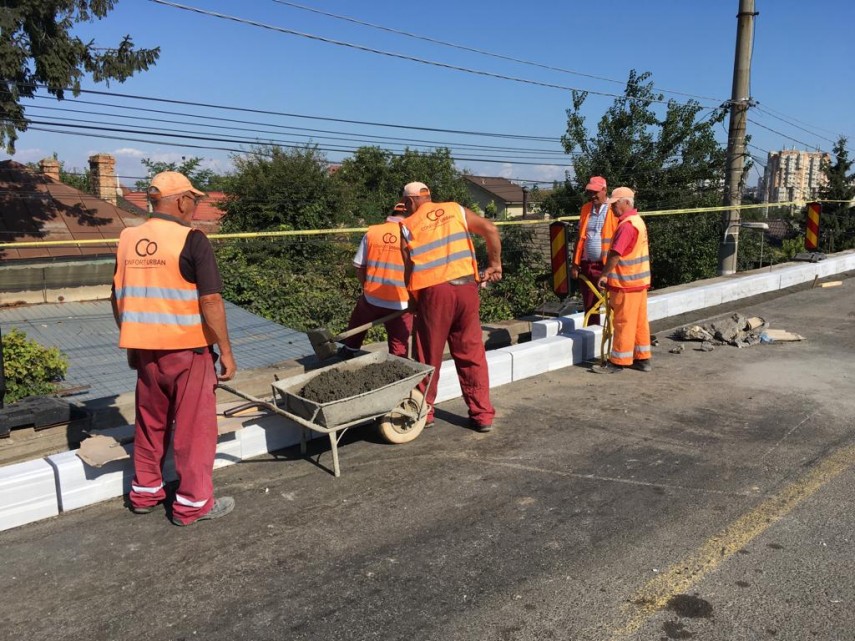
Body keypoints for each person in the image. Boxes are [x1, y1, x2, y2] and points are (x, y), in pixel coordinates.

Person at [111, 171, 237, 526]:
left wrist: (131, 342)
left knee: (151, 424)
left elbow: (117, 297)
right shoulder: (192, 239)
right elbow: (211, 300)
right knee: (195, 430)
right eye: (194, 200)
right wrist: (225, 350)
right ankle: (193, 504)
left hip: (147, 353)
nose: (195, 207)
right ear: (181, 200)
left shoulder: (127, 238)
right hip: (188, 351)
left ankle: (145, 493)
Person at [400, 181, 502, 432]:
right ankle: (482, 415)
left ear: (411, 201)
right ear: (429, 196)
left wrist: (413, 302)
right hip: (466, 289)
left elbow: (408, 269)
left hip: (434, 295)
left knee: (427, 355)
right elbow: (490, 229)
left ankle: (425, 411)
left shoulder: (408, 225)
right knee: (471, 354)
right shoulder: (455, 209)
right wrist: (495, 264)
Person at [338, 201, 413, 360]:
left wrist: (367, 287)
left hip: (372, 298)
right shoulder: (413, 235)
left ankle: (350, 348)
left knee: (358, 322)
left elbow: (359, 267)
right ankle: (398, 363)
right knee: (399, 342)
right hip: (401, 303)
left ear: (392, 214)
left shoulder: (373, 232)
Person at [592, 187, 652, 373]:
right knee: (639, 322)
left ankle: (619, 361)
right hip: (638, 282)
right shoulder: (637, 222)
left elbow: (616, 254)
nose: (612, 208)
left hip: (625, 283)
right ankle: (642, 359)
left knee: (623, 322)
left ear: (626, 203)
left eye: (615, 204)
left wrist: (604, 275)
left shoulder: (626, 226)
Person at [570, 176, 618, 326]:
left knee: (613, 304)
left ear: (604, 190)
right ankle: (592, 334)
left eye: (595, 192)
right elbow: (580, 237)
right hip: (587, 265)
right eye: (590, 192)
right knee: (590, 305)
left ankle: (615, 333)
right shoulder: (585, 209)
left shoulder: (614, 209)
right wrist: (575, 263)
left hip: (606, 266)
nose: (592, 195)